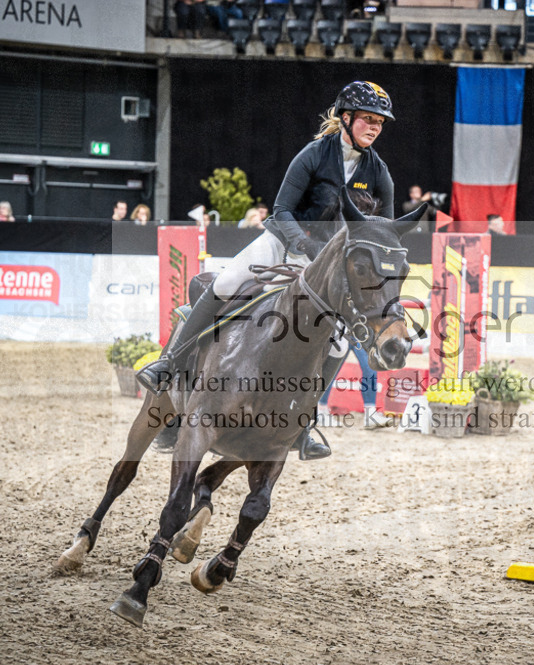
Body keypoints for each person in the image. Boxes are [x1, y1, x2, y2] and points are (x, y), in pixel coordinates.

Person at [137, 81, 397, 459]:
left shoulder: (379, 172)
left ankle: (303, 424)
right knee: (226, 282)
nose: (374, 127)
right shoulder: (313, 155)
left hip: (327, 265)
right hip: (281, 242)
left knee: (339, 340)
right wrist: (304, 245)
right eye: (368, 120)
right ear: (346, 117)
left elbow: (381, 231)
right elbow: (281, 210)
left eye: (379, 122)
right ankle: (169, 363)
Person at [317, 345, 392, 430]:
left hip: (358, 334)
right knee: (332, 370)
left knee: (370, 368)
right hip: (343, 334)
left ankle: (370, 414)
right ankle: (321, 410)